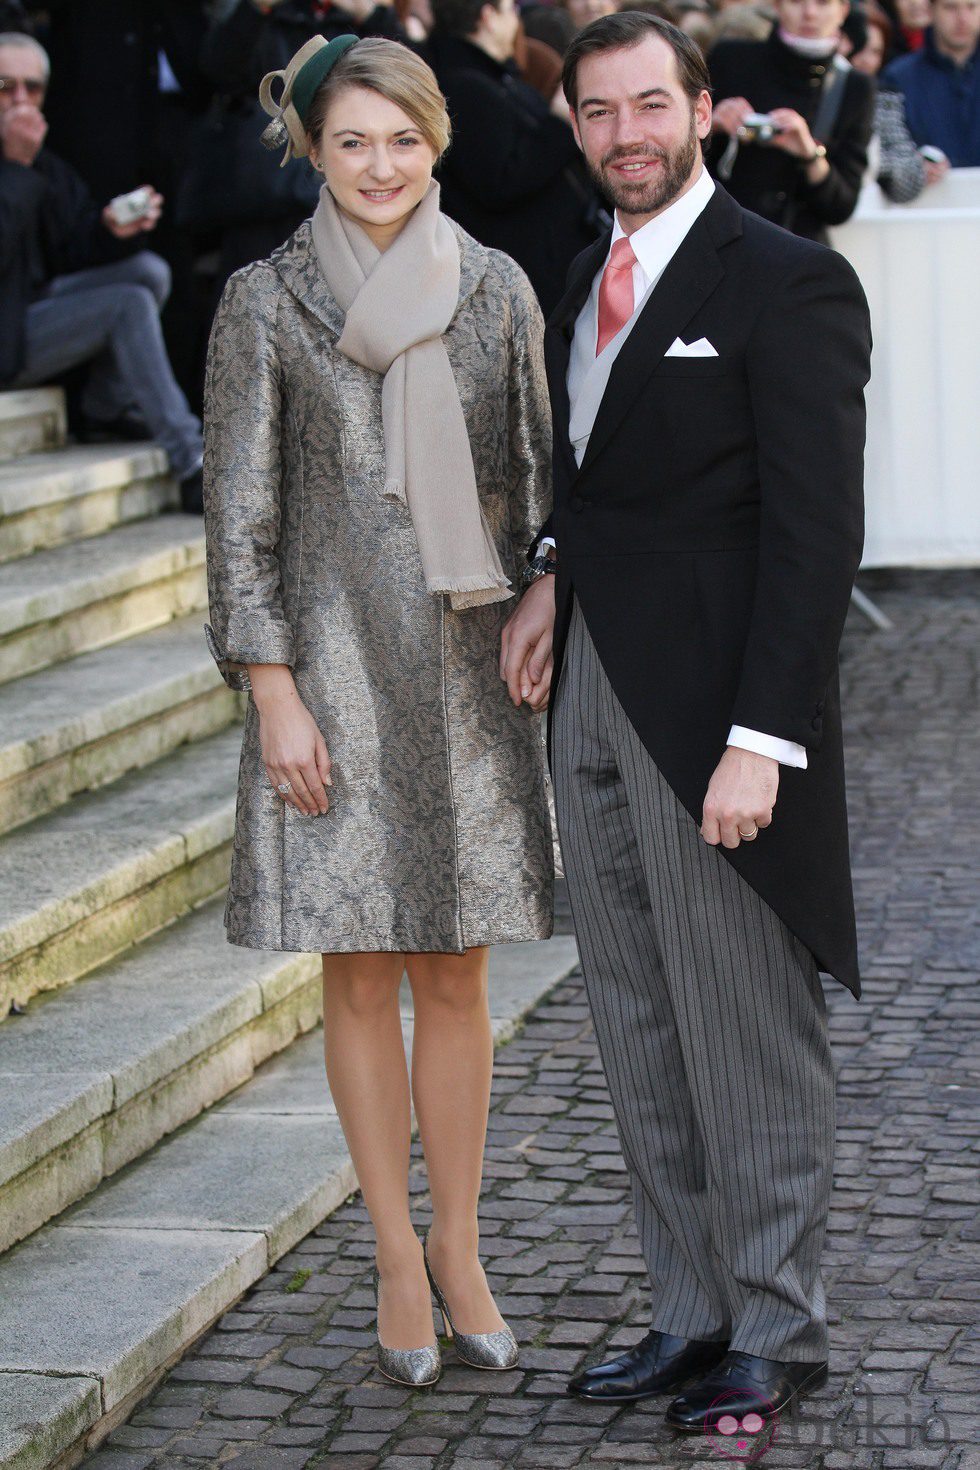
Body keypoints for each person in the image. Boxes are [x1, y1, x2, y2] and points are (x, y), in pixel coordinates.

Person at [500, 10, 870, 1434]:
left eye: (650, 105)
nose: (626, 134)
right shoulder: (582, 275)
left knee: (744, 1030)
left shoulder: (788, 282)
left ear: (704, 109)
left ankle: (776, 1331)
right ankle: (689, 1309)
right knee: (639, 1021)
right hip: (590, 686)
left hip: (716, 716)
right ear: (577, 128)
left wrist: (761, 740)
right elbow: (592, 485)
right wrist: (547, 576)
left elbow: (814, 536)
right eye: (598, 113)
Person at [203, 33, 554, 1389]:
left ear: (437, 141)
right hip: (333, 681)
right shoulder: (265, 300)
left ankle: (461, 1243)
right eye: (350, 140)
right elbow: (240, 516)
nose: (379, 164)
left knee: (457, 969)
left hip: (468, 673)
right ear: (312, 148)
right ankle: (395, 1252)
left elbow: (533, 485)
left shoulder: (498, 289)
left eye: (401, 138)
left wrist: (545, 596)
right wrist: (273, 693)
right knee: (355, 967)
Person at [0, 31, 205, 508]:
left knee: (149, 271)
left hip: (25, 320)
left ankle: (106, 404)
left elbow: (71, 247)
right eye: (5, 87)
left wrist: (112, 229)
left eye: (33, 89)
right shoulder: (24, 161)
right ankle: (189, 459)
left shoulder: (39, 164)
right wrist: (15, 167)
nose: (20, 101)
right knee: (128, 303)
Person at [425, 0, 604, 315]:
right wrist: (559, 121)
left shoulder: (492, 79)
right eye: (510, 9)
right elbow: (500, 181)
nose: (516, 20)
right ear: (488, 16)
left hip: (544, 277)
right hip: (528, 287)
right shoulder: (465, 87)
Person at [707, 0, 875, 242]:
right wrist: (710, 124)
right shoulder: (730, 59)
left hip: (801, 254)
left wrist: (809, 152)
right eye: (796, 1)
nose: (809, 13)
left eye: (823, 2)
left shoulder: (854, 87)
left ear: (843, 11)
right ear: (777, 6)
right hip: (723, 242)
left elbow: (841, 207)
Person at [881, 0, 980, 166]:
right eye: (950, 7)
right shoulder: (897, 77)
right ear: (931, 10)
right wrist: (915, 168)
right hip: (927, 191)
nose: (962, 18)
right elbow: (888, 151)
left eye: (971, 6)